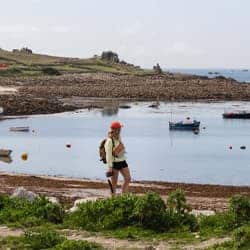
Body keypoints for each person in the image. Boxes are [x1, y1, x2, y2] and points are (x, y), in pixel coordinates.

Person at [104, 121, 131, 195]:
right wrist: (110, 167)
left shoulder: (119, 138)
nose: (120, 130)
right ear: (115, 130)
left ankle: (124, 197)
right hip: (114, 164)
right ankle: (113, 200)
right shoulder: (109, 141)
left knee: (128, 178)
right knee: (114, 184)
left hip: (122, 161)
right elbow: (108, 155)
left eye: (120, 128)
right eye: (119, 128)